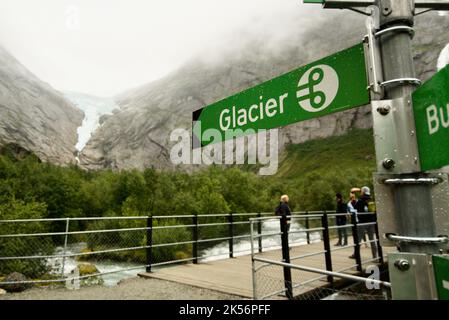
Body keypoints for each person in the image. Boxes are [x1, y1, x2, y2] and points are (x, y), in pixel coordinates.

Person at [351, 186, 378, 259]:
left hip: (363, 222)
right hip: (371, 222)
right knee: (372, 239)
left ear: (363, 192)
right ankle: (375, 256)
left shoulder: (361, 200)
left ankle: (356, 254)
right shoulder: (371, 199)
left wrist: (353, 200)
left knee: (358, 239)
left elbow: (355, 207)